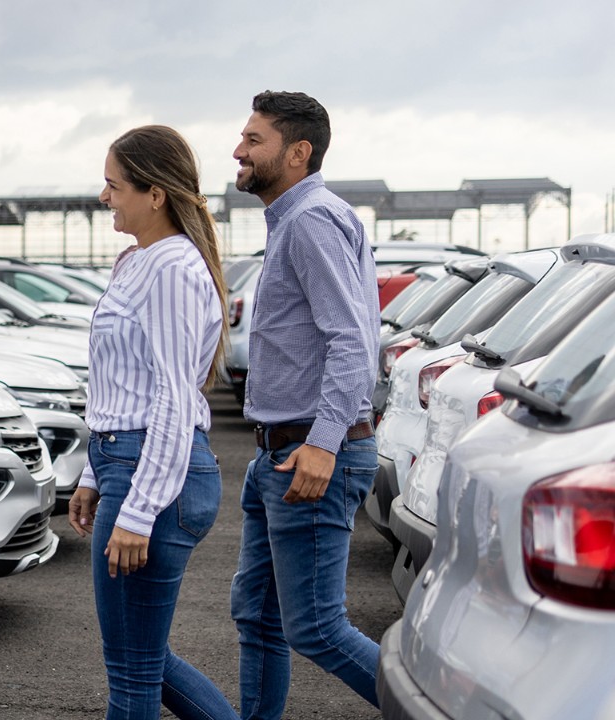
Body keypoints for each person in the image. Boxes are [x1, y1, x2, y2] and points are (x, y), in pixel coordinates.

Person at [69, 125, 237, 720]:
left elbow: (171, 396)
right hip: (127, 462)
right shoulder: (138, 261)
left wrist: (138, 511)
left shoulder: (171, 268)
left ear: (155, 193)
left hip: (151, 473)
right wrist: (93, 471)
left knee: (134, 676)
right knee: (142, 660)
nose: (104, 197)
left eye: (114, 185)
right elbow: (121, 385)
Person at [228, 91, 381, 720]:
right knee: (257, 616)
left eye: (253, 140)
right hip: (279, 452)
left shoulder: (312, 219)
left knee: (315, 627)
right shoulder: (294, 220)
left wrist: (322, 442)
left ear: (298, 152)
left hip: (312, 453)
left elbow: (353, 338)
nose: (238, 151)